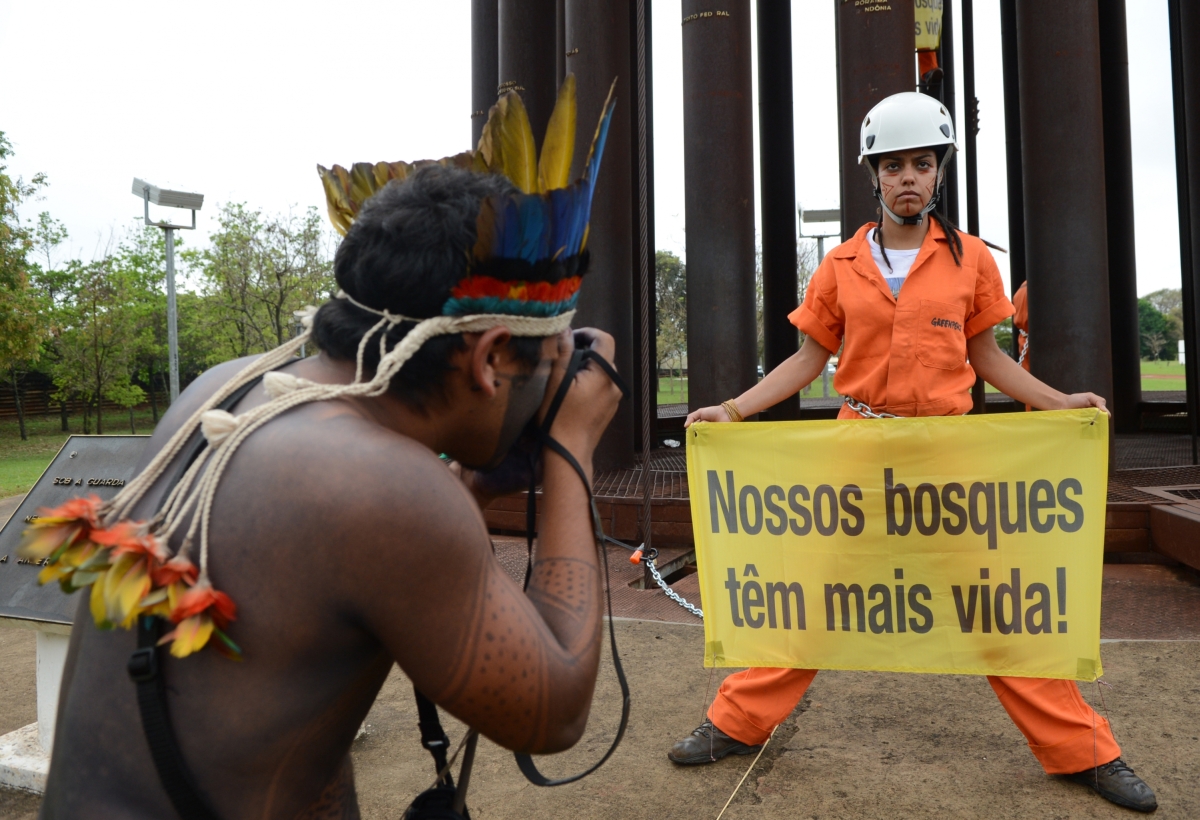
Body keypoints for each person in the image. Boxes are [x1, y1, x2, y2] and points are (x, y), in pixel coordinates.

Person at [25, 81, 625, 818]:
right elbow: (555, 710)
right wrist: (571, 447)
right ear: (490, 357)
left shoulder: (228, 389)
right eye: (551, 358)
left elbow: (294, 648)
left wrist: (468, 492)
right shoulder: (385, 492)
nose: (556, 378)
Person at [668, 92, 1157, 813]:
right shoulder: (838, 264)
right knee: (811, 599)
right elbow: (808, 359)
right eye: (892, 165)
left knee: (1000, 608)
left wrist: (1059, 403)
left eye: (921, 164)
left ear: (940, 172)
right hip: (858, 453)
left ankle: (1084, 752)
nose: (907, 178)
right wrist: (735, 409)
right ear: (873, 174)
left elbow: (988, 356)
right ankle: (734, 724)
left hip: (947, 461)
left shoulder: (972, 265)